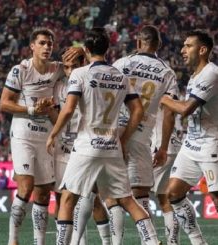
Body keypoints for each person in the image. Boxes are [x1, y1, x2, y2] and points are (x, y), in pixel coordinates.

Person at [46, 27, 158, 245]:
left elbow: (68, 110)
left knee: (68, 198)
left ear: (86, 50)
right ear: (108, 49)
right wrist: (123, 139)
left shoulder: (80, 74)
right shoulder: (120, 76)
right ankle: (153, 241)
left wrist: (53, 134)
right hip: (112, 147)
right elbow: (137, 110)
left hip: (86, 146)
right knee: (126, 200)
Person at [105, 25, 178, 244]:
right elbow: (169, 113)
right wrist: (163, 146)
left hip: (114, 132)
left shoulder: (121, 63)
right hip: (141, 136)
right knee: (141, 194)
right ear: (159, 45)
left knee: (112, 194)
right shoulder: (167, 72)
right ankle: (150, 241)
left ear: (138, 43)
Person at [0, 27, 64, 245]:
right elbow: (4, 103)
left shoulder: (57, 69)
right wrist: (32, 110)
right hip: (23, 133)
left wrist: (80, 51)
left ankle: (39, 242)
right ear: (32, 46)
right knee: (26, 187)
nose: (47, 47)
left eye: (50, 44)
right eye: (43, 43)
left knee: (44, 193)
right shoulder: (20, 70)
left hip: (46, 136)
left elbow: (79, 67)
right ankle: (13, 240)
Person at [160, 29, 217, 245]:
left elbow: (185, 109)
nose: (183, 50)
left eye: (188, 46)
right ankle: (198, 242)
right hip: (191, 144)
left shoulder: (211, 73)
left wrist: (163, 99)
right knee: (173, 193)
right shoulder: (195, 76)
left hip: (212, 146)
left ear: (202, 50)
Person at [53, 49, 111, 245]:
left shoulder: (89, 81)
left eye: (73, 66)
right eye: (66, 67)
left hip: (87, 145)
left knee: (91, 196)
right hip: (65, 149)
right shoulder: (59, 87)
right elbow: (58, 117)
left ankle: (100, 241)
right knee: (65, 199)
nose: (69, 71)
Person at [150, 107, 182, 245]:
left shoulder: (155, 93)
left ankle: (151, 240)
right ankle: (172, 242)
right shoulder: (169, 95)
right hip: (174, 147)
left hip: (160, 149)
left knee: (135, 196)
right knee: (164, 199)